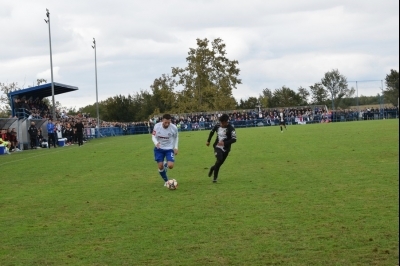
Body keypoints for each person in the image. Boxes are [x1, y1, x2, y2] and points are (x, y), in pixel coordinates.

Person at [206, 113, 237, 183]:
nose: (221, 124)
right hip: (217, 146)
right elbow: (212, 132)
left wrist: (224, 143)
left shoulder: (231, 128)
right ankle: (215, 178)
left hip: (226, 149)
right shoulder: (217, 125)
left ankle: (212, 168)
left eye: (223, 123)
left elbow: (234, 139)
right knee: (219, 159)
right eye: (221, 122)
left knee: (219, 164)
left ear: (226, 122)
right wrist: (208, 141)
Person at [151, 114, 179, 186]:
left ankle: (166, 164)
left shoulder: (174, 128)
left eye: (169, 122)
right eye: (165, 122)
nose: (167, 124)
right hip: (159, 148)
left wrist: (176, 147)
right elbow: (153, 136)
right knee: (160, 166)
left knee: (171, 166)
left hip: (169, 148)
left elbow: (176, 137)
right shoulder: (157, 126)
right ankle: (167, 181)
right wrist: (156, 143)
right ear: (162, 120)